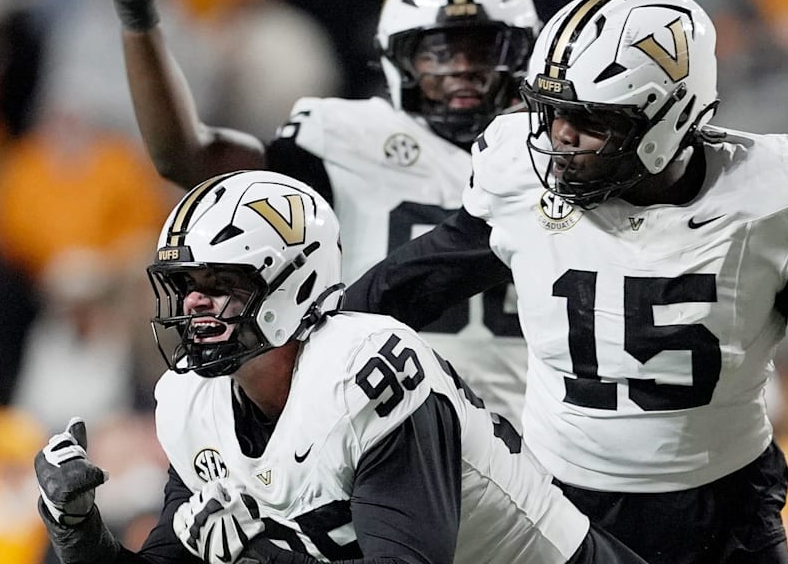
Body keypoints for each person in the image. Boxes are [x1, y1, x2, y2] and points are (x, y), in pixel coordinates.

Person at [343, 0, 788, 564]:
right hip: (559, 501)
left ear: (668, 120)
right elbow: (407, 284)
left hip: (723, 509)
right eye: (552, 114)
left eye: (589, 120)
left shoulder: (764, 200)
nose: (559, 139)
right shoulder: (517, 177)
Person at [33, 170, 647, 564]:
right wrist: (78, 530)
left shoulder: (364, 374)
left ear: (291, 286)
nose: (195, 303)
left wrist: (260, 555)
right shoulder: (193, 405)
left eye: (220, 282)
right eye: (186, 285)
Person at [93, 0, 539, 429]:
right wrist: (137, 15)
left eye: (482, 48)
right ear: (400, 58)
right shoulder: (347, 138)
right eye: (440, 53)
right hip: (382, 417)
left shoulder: (555, 150)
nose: (462, 69)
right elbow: (188, 157)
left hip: (529, 422)